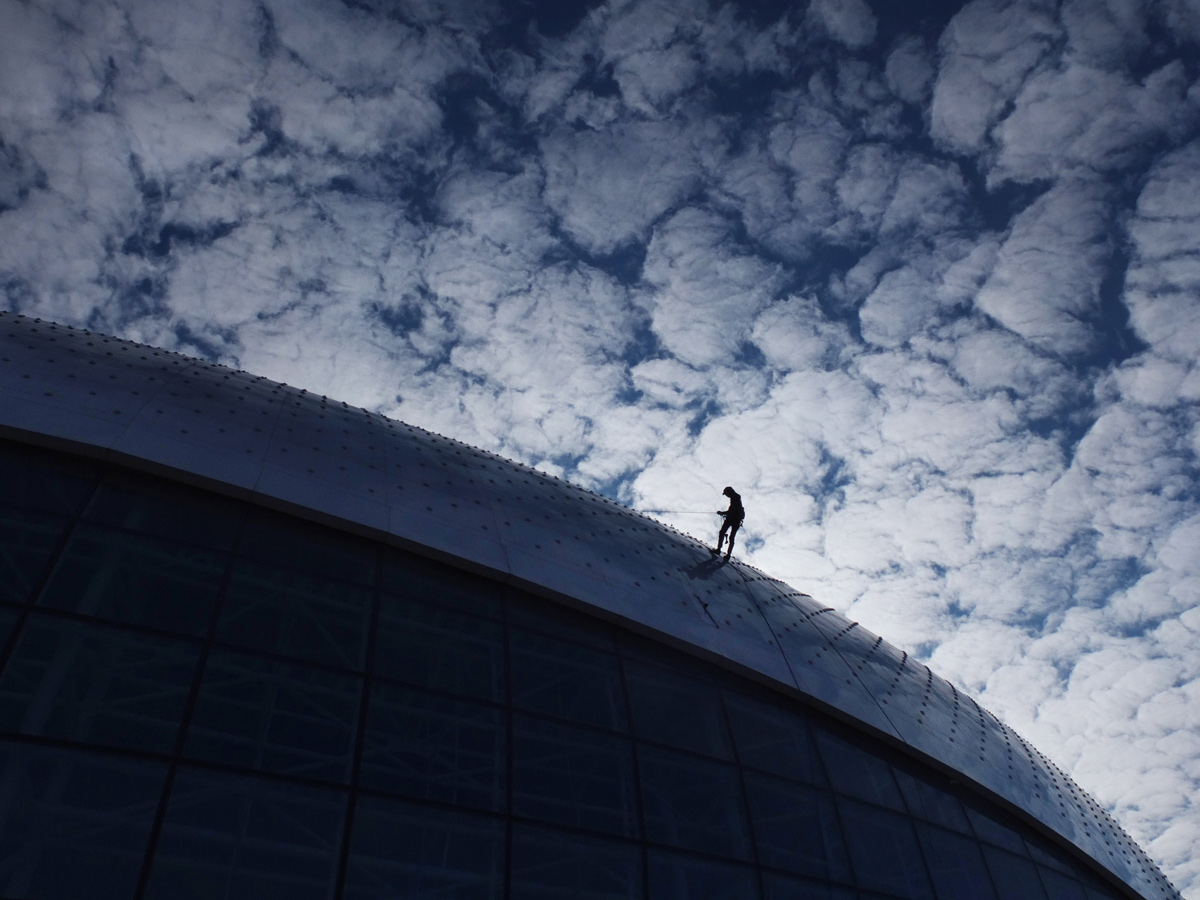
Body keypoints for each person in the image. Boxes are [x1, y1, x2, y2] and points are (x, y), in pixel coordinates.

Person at [715, 486, 744, 561]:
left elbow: (731, 511)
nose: (726, 496)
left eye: (726, 494)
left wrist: (722, 513)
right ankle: (727, 555)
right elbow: (732, 511)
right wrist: (724, 513)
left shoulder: (735, 499)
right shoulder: (735, 498)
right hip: (736, 520)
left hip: (732, 519)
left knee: (723, 533)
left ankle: (719, 550)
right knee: (731, 537)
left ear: (729, 492)